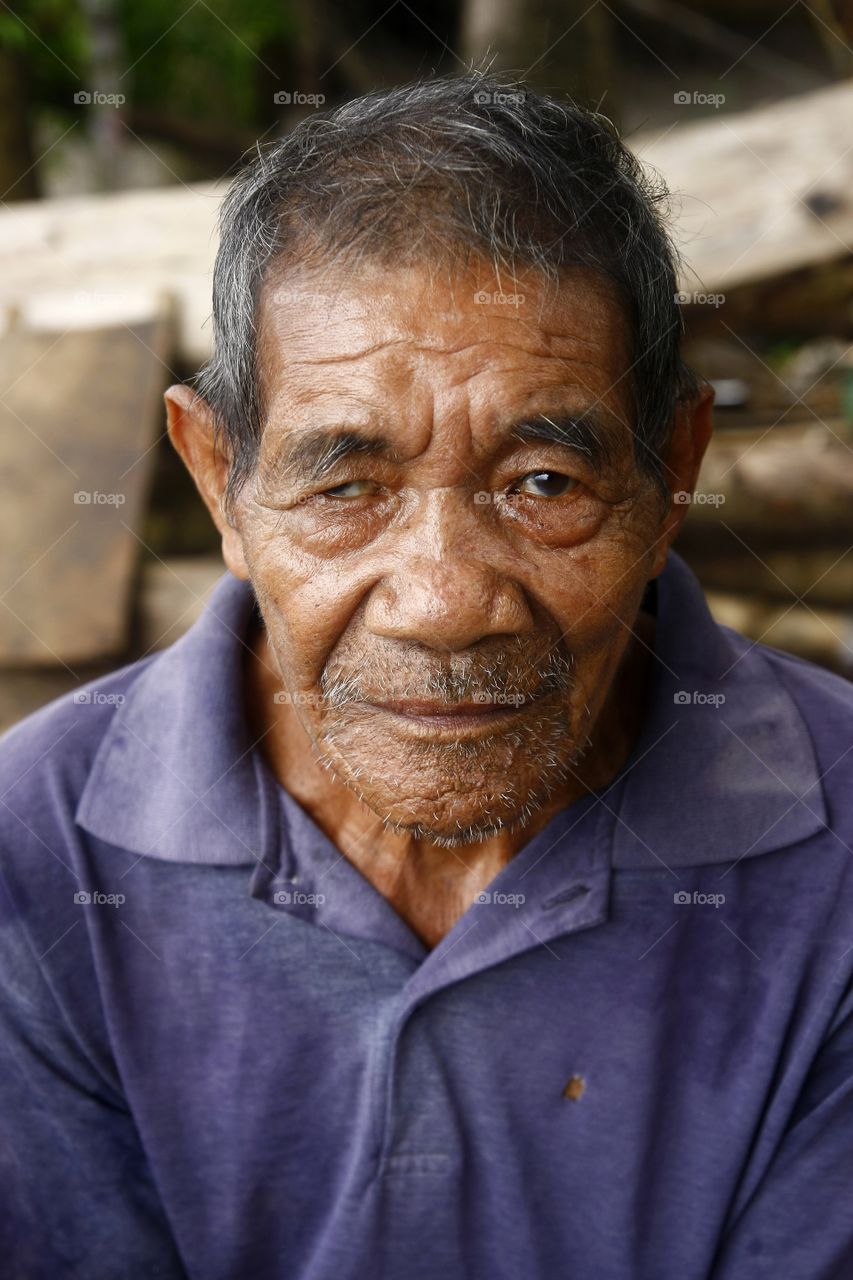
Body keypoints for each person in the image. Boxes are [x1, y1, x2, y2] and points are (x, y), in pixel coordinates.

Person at [2, 71, 852, 1280]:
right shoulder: (32, 857)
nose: (446, 601)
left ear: (671, 473)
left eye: (542, 483)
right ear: (219, 482)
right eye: (346, 488)